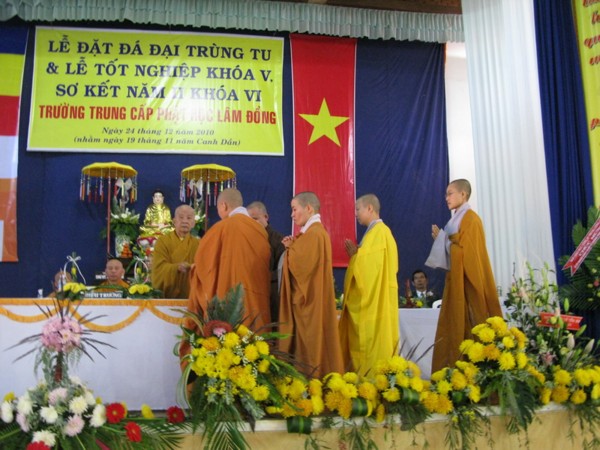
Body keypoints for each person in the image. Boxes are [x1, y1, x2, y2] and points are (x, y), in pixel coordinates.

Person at [427, 179, 502, 372]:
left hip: (468, 282)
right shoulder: (455, 220)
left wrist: (445, 240)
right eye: (446, 194)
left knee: (471, 324)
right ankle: (453, 370)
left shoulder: (471, 219)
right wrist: (443, 240)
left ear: (463, 194)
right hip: (456, 280)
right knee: (453, 324)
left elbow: (469, 254)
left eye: (450, 193)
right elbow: (455, 248)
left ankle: (475, 370)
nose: (446, 198)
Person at [185, 188, 271, 332]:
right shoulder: (260, 231)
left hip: (230, 307)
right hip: (256, 304)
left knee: (230, 342)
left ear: (223, 205)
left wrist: (193, 270)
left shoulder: (219, 228)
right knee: (255, 341)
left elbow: (203, 266)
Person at [279, 191, 344, 379]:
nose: (292, 214)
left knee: (309, 344)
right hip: (313, 299)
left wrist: (290, 248)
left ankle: (311, 381)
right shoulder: (313, 233)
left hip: (309, 303)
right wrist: (295, 245)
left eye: (294, 209)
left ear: (308, 208)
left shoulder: (314, 233)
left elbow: (301, 266)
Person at [338, 194, 399, 377]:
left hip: (375, 302)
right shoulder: (377, 233)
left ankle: (373, 381)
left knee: (373, 342)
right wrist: (358, 256)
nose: (355, 213)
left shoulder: (379, 232)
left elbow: (369, 271)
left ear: (370, 208)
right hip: (379, 298)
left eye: (358, 209)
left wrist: (355, 257)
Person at [246, 200, 286, 323]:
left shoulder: (279, 240)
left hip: (271, 293)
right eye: (249, 220)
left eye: (255, 219)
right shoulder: (246, 239)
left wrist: (262, 277)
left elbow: (282, 271)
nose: (253, 223)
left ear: (266, 217)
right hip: (250, 291)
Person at [151, 204, 199, 299]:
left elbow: (204, 268)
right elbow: (158, 269)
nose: (185, 221)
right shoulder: (162, 241)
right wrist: (176, 268)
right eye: (181, 217)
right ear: (174, 221)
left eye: (189, 218)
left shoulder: (199, 244)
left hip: (191, 296)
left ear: (193, 223)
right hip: (167, 296)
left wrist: (194, 267)